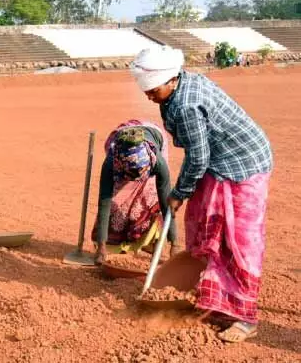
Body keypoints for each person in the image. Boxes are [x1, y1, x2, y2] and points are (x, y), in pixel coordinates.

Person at [130, 46, 273, 343]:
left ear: (171, 80)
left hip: (242, 166)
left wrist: (180, 192)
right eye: (147, 91)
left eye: (153, 90)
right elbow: (200, 155)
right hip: (218, 163)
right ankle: (213, 295)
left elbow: (197, 158)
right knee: (205, 223)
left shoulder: (186, 105)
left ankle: (244, 316)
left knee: (238, 239)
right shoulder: (176, 88)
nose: (149, 96)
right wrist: (186, 191)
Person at [92, 120, 179, 265]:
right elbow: (104, 202)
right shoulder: (111, 163)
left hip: (153, 135)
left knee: (151, 198)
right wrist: (101, 247)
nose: (136, 179)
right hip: (120, 144)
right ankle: (112, 244)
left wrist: (174, 243)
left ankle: (153, 245)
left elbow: (166, 201)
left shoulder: (157, 161)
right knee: (118, 203)